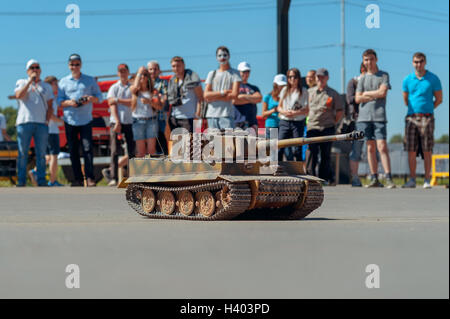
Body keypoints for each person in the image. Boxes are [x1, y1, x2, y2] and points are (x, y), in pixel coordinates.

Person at [58, 54, 102, 187]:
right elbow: (58, 101)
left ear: (81, 65)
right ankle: (77, 179)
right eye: (72, 64)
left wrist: (90, 99)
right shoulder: (63, 82)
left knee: (88, 148)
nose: (74, 67)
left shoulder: (89, 80)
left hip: (86, 119)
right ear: (68, 66)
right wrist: (69, 102)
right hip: (70, 120)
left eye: (77, 64)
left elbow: (99, 97)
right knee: (73, 150)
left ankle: (90, 178)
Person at [401, 52, 443, 189]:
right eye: (415, 62)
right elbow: (406, 99)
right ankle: (412, 179)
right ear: (412, 63)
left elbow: (439, 99)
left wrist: (429, 109)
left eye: (421, 61)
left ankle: (426, 179)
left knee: (427, 149)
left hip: (428, 117)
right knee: (411, 149)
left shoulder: (433, 79)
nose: (418, 64)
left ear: (425, 62)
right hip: (411, 117)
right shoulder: (407, 80)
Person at [355, 49, 395, 188]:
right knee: (370, 147)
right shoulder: (362, 78)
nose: (369, 62)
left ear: (376, 59)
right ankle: (374, 177)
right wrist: (374, 94)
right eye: (366, 59)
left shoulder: (383, 75)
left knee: (382, 146)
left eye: (371, 59)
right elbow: (357, 98)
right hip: (364, 118)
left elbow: (383, 92)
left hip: (379, 116)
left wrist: (366, 93)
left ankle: (388, 176)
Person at [14, 59, 53, 187]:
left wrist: (47, 121)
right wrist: (30, 82)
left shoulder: (46, 86)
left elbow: (50, 105)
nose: (35, 70)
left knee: (41, 153)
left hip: (41, 124)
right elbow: (19, 95)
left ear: (40, 70)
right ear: (27, 71)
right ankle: (21, 181)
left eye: (37, 67)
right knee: (23, 153)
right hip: (24, 122)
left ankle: (41, 180)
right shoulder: (22, 82)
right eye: (32, 68)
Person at [306, 68, 343, 185]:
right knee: (312, 153)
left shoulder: (333, 93)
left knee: (325, 154)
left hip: (327, 127)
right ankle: (311, 178)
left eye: (322, 77)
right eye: (318, 77)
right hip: (312, 127)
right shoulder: (309, 92)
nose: (320, 79)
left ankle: (323, 179)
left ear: (327, 78)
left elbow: (340, 111)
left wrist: (332, 122)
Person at [102, 63, 135, 187]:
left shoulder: (132, 88)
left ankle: (131, 177)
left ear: (128, 72)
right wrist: (117, 121)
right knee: (115, 150)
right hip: (115, 122)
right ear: (118, 73)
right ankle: (113, 177)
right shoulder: (114, 87)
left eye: (124, 71)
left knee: (132, 150)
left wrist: (118, 100)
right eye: (120, 71)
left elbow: (133, 103)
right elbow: (112, 104)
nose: (122, 73)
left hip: (130, 121)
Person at [204, 46, 241, 130]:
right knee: (213, 142)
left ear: (229, 56)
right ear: (216, 57)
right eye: (219, 55)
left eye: (224, 55)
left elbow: (234, 94)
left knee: (228, 142)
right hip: (211, 115)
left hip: (226, 114)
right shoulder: (212, 73)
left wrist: (213, 96)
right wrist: (223, 92)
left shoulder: (235, 74)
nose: (222, 58)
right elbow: (206, 95)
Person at [276, 68, 309, 161]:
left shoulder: (304, 91)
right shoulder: (284, 90)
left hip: (297, 122)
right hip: (284, 121)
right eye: (290, 77)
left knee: (297, 149)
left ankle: (297, 170)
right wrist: (285, 112)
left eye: (294, 77)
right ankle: (277, 168)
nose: (292, 79)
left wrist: (295, 113)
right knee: (279, 146)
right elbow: (279, 107)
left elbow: (307, 109)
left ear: (298, 78)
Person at [130, 67, 163, 157]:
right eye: (141, 75)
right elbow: (135, 87)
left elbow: (159, 107)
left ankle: (151, 170)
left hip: (151, 121)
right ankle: (141, 170)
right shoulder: (135, 91)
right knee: (141, 151)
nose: (143, 77)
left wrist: (149, 102)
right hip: (137, 121)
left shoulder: (153, 91)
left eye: (145, 75)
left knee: (151, 150)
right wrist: (139, 73)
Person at [167, 56, 203, 132]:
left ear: (183, 65)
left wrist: (197, 116)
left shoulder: (193, 78)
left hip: (190, 117)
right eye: (173, 66)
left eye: (178, 66)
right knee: (177, 143)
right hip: (175, 117)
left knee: (192, 143)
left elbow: (201, 98)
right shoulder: (172, 80)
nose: (176, 68)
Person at [346, 63, 367, 187]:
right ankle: (355, 177)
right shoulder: (353, 82)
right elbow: (350, 99)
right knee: (356, 149)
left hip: (372, 118)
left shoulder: (373, 82)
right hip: (358, 119)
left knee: (372, 149)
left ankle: (374, 177)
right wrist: (367, 96)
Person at [147, 61, 169, 154]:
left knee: (161, 139)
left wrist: (154, 100)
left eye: (155, 69)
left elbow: (164, 98)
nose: (153, 71)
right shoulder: (144, 83)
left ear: (159, 71)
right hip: (147, 117)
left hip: (160, 117)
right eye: (151, 69)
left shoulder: (163, 83)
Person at [232, 62, 262, 131]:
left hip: (252, 122)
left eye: (247, 71)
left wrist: (242, 96)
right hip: (237, 122)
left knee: (252, 141)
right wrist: (251, 98)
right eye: (243, 72)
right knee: (237, 141)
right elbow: (234, 100)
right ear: (238, 72)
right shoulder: (234, 87)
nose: (246, 74)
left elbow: (259, 98)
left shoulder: (254, 88)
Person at [262, 74, 286, 139]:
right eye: (281, 85)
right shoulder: (267, 97)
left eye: (284, 85)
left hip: (283, 126)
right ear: (275, 85)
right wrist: (274, 110)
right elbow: (263, 114)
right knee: (272, 148)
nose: (282, 87)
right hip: (271, 126)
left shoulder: (285, 97)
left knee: (282, 148)